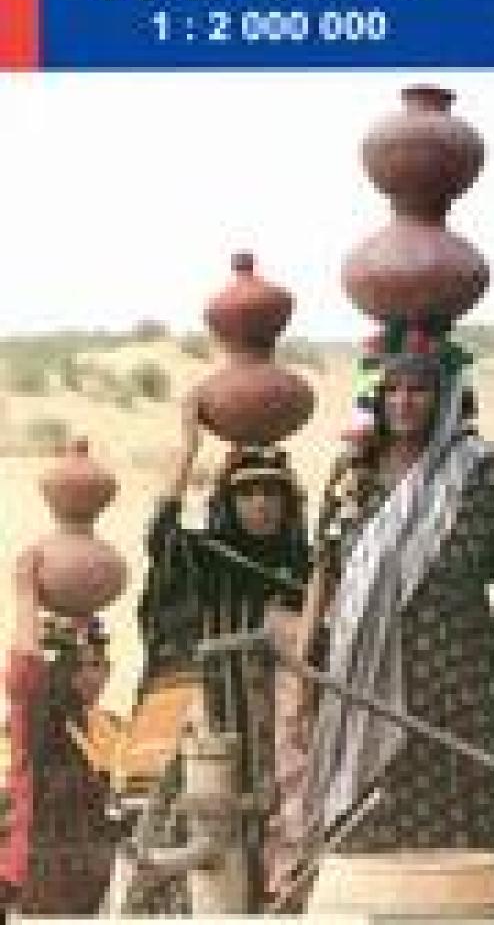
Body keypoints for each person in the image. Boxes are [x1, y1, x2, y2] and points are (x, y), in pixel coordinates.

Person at [296, 342, 494, 917]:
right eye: (392, 390)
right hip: (363, 692)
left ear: (446, 398)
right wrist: (307, 678)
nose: (404, 403)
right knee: (367, 828)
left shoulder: (478, 471)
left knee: (481, 829)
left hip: (461, 682)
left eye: (419, 390)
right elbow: (324, 575)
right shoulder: (353, 475)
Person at [131, 391, 311, 913]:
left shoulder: (307, 568)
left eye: (272, 492)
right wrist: (189, 446)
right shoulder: (208, 558)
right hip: (217, 723)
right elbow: (161, 535)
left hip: (289, 735)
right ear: (229, 502)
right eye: (248, 492)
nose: (261, 503)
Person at [0, 548, 116, 916]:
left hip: (89, 881)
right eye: (87, 664)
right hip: (35, 878)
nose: (100, 673)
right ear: (63, 670)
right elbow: (24, 673)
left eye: (102, 663)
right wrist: (26, 596)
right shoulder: (37, 719)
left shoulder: (104, 725)